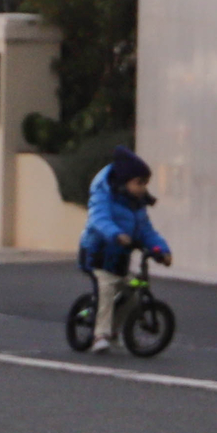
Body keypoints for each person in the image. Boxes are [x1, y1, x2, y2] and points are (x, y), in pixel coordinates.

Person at [79, 146, 172, 354]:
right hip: (97, 254)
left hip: (119, 259)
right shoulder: (104, 197)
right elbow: (98, 219)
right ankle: (99, 335)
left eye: (145, 184)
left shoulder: (137, 206)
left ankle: (113, 331)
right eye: (138, 183)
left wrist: (162, 251)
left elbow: (147, 231)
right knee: (106, 289)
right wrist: (115, 234)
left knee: (132, 291)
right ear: (124, 182)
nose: (142, 188)